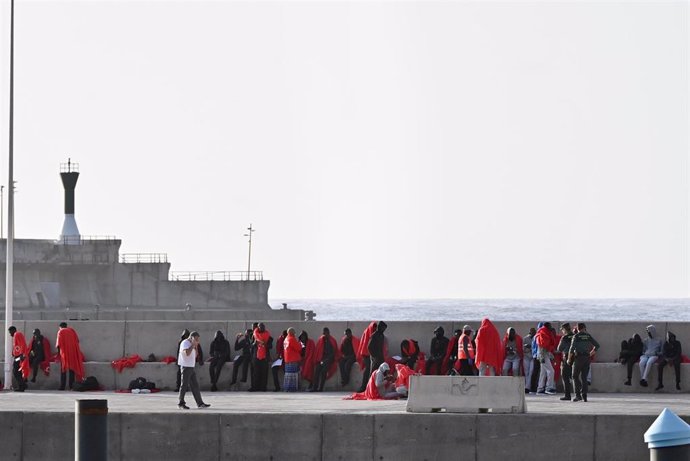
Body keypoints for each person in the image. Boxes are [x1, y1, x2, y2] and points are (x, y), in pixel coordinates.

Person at [177, 331, 210, 409]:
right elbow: (186, 353)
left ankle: (200, 403)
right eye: (196, 339)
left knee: (195, 386)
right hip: (185, 367)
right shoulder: (184, 343)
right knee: (184, 385)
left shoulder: (192, 344)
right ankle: (181, 403)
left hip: (191, 367)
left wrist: (196, 346)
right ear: (191, 337)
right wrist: (193, 345)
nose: (197, 340)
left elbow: (195, 355)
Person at [568, 322, 599, 402]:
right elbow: (597, 345)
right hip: (587, 358)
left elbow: (571, 349)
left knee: (574, 376)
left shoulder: (576, 336)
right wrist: (590, 353)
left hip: (578, 358)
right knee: (584, 377)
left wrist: (569, 359)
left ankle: (578, 396)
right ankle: (584, 395)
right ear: (584, 328)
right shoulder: (588, 336)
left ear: (577, 328)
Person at [56, 322, 85, 391]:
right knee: (71, 369)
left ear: (60, 327)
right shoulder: (72, 331)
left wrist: (58, 354)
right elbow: (77, 341)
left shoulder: (60, 331)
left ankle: (62, 386)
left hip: (64, 353)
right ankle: (71, 386)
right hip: (73, 352)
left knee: (63, 370)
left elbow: (58, 344)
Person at [309, 327, 340, 392]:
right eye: (323, 333)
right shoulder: (321, 339)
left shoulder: (332, 340)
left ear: (328, 333)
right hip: (321, 359)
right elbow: (318, 350)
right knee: (317, 371)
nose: (324, 335)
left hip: (329, 359)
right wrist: (320, 360)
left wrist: (325, 360)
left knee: (323, 371)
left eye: (325, 333)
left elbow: (334, 353)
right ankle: (315, 387)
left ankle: (321, 388)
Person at [535, 321, 557, 394]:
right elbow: (544, 345)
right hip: (543, 354)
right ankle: (549, 388)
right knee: (551, 371)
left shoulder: (542, 333)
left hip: (543, 354)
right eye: (550, 326)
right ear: (547, 327)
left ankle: (540, 388)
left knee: (543, 372)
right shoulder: (543, 334)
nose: (551, 327)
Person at [356, 322, 377, 392]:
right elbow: (364, 344)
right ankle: (363, 386)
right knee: (368, 369)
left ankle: (369, 387)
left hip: (372, 353)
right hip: (365, 353)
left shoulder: (374, 333)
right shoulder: (367, 332)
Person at [250, 322, 271, 392]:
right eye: (260, 327)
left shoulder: (268, 336)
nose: (261, 328)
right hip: (256, 357)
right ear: (258, 328)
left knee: (264, 373)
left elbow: (270, 346)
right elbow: (251, 346)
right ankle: (255, 387)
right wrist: (254, 343)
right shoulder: (254, 336)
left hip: (265, 357)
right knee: (255, 373)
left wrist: (265, 344)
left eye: (263, 327)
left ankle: (263, 388)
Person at [556, 323, 574, 401]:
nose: (562, 331)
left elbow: (559, 349)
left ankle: (567, 395)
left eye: (562, 330)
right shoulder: (575, 336)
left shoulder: (565, 337)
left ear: (564, 329)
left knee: (565, 376)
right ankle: (580, 394)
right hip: (575, 357)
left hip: (566, 357)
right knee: (575, 377)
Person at [8, 326, 29, 392]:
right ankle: (23, 385)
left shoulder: (17, 334)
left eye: (10, 332)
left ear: (13, 330)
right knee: (18, 371)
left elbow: (22, 344)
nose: (10, 334)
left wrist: (22, 354)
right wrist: (13, 353)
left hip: (19, 356)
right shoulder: (16, 335)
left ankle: (22, 386)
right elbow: (17, 346)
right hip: (18, 356)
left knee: (16, 371)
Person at [283, 328, 302, 392]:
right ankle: (292, 389)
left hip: (287, 360)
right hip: (293, 359)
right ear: (292, 333)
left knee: (288, 375)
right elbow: (298, 348)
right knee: (293, 375)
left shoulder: (286, 339)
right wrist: (299, 343)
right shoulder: (292, 339)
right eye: (294, 333)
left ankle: (287, 388)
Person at [523, 327, 537, 393]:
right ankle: (527, 386)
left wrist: (531, 347)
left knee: (531, 372)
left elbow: (536, 348)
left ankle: (527, 387)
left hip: (533, 357)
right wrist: (526, 347)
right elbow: (522, 349)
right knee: (526, 372)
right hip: (526, 357)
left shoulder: (536, 338)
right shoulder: (525, 339)